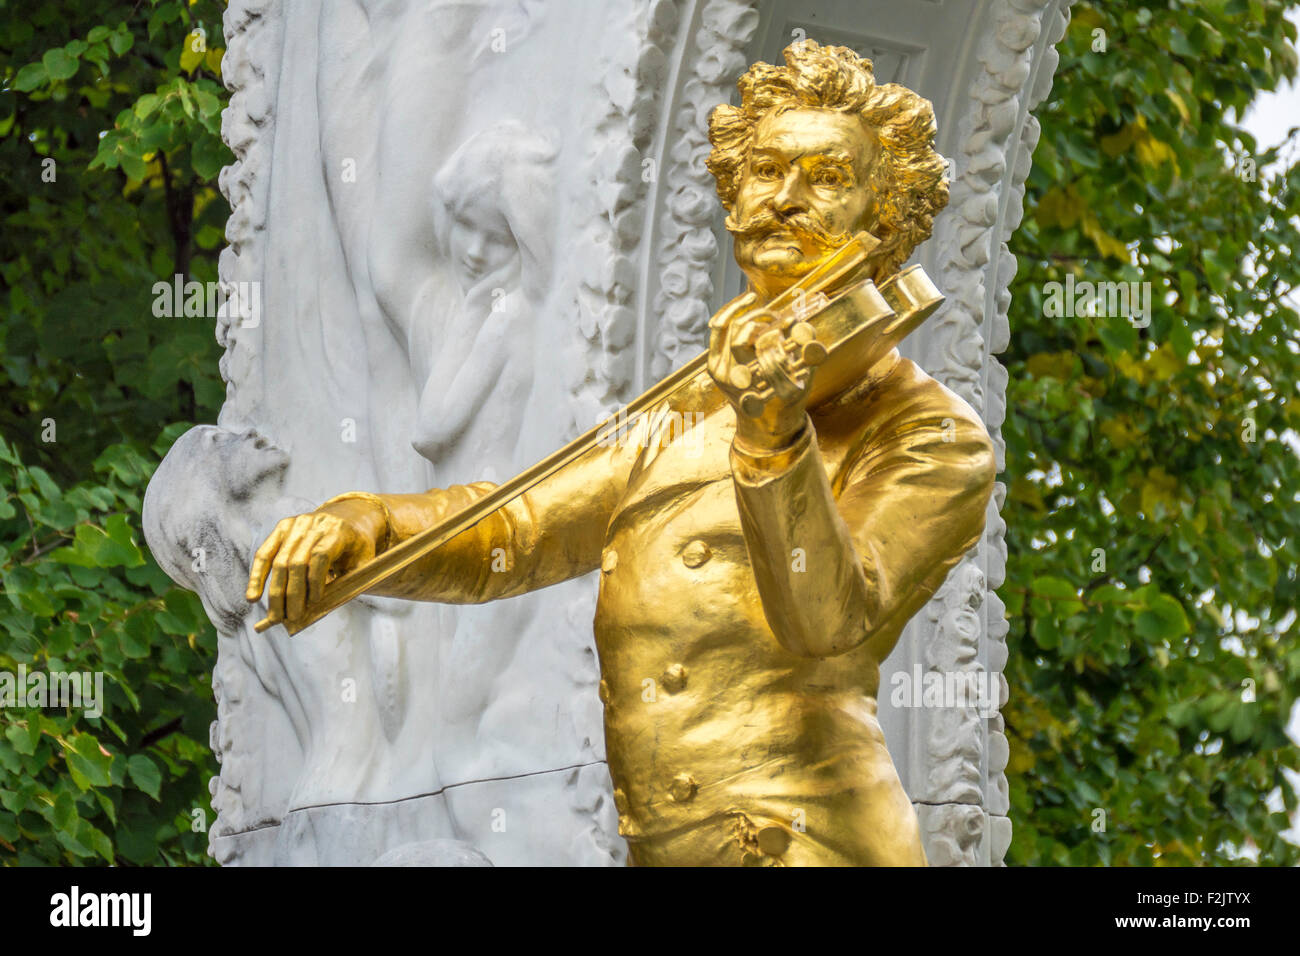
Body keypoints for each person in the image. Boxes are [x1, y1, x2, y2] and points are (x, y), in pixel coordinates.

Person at [247, 41, 995, 866]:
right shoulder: (696, 402)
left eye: (824, 178)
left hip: (808, 844)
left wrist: (776, 434)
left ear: (884, 218)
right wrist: (371, 526)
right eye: (764, 172)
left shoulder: (929, 431)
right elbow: (522, 528)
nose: (782, 199)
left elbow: (829, 624)